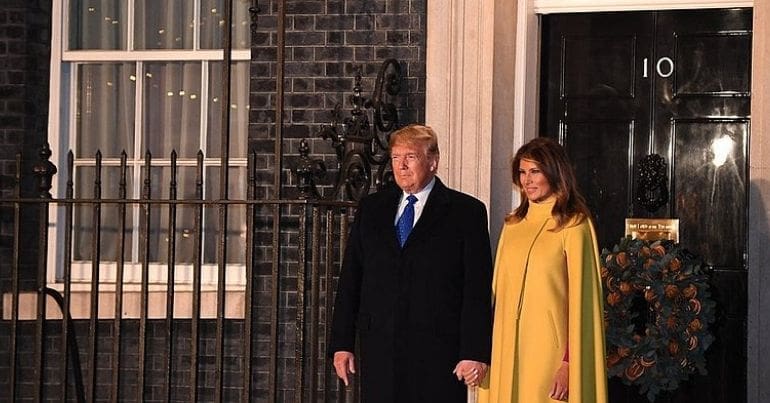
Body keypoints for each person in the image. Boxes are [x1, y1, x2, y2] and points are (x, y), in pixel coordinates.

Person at [329, 124, 494, 403]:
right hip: (380, 348)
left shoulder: (467, 212)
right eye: (395, 157)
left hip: (438, 352)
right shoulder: (372, 209)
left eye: (411, 157)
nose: (401, 166)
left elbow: (476, 289)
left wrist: (474, 352)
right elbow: (351, 280)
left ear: (433, 161)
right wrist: (342, 344)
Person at [478, 137, 607, 403]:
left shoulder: (573, 225)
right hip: (506, 349)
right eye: (523, 172)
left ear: (554, 172)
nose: (527, 180)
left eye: (535, 171)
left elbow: (582, 305)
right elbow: (494, 299)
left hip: (549, 354)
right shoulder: (513, 226)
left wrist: (569, 365)